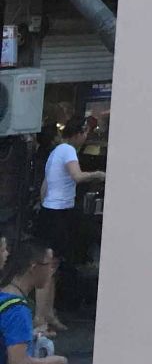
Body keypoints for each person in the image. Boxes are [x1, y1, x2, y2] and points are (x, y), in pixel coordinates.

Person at [35, 121, 104, 335]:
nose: (86, 137)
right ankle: (40, 319)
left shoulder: (55, 152)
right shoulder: (68, 150)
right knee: (49, 266)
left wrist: (44, 205)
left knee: (52, 265)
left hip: (50, 211)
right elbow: (77, 176)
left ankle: (48, 314)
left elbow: (45, 186)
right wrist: (98, 174)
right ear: (79, 133)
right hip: (59, 213)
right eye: (85, 133)